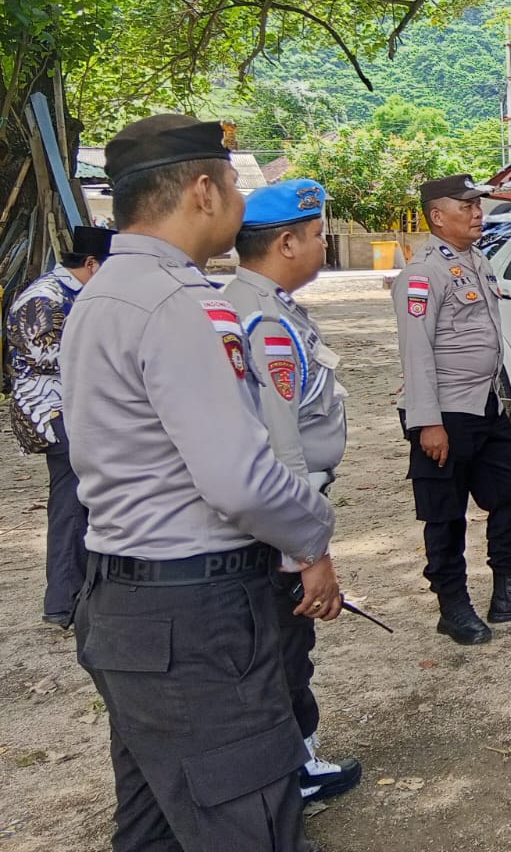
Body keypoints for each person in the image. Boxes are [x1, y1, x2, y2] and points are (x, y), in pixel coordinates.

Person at [60, 114, 338, 852]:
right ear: (203, 192)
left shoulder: (101, 295)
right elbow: (239, 480)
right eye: (236, 183)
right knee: (251, 823)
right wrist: (312, 537)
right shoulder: (180, 303)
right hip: (197, 618)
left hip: (129, 609)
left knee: (155, 828)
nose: (241, 199)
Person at [223, 179, 362, 804]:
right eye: (315, 235)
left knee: (287, 645)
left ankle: (292, 759)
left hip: (289, 511)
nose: (322, 243)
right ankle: (288, 770)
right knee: (281, 646)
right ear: (285, 242)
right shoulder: (262, 321)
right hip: (282, 519)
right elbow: (279, 442)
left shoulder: (270, 306)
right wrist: (304, 553)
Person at [394, 173, 511, 645]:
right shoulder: (421, 275)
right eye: (465, 206)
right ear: (437, 216)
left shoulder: (476, 261)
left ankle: (509, 589)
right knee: (444, 514)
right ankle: (453, 605)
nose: (476, 213)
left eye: (476, 205)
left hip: (483, 405)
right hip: (443, 413)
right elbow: (416, 352)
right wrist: (427, 423)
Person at [6, 224, 113, 627]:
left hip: (73, 409)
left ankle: (79, 593)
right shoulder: (44, 297)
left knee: (83, 502)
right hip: (50, 412)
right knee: (70, 505)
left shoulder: (71, 294)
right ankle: (64, 602)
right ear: (90, 264)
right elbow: (43, 355)